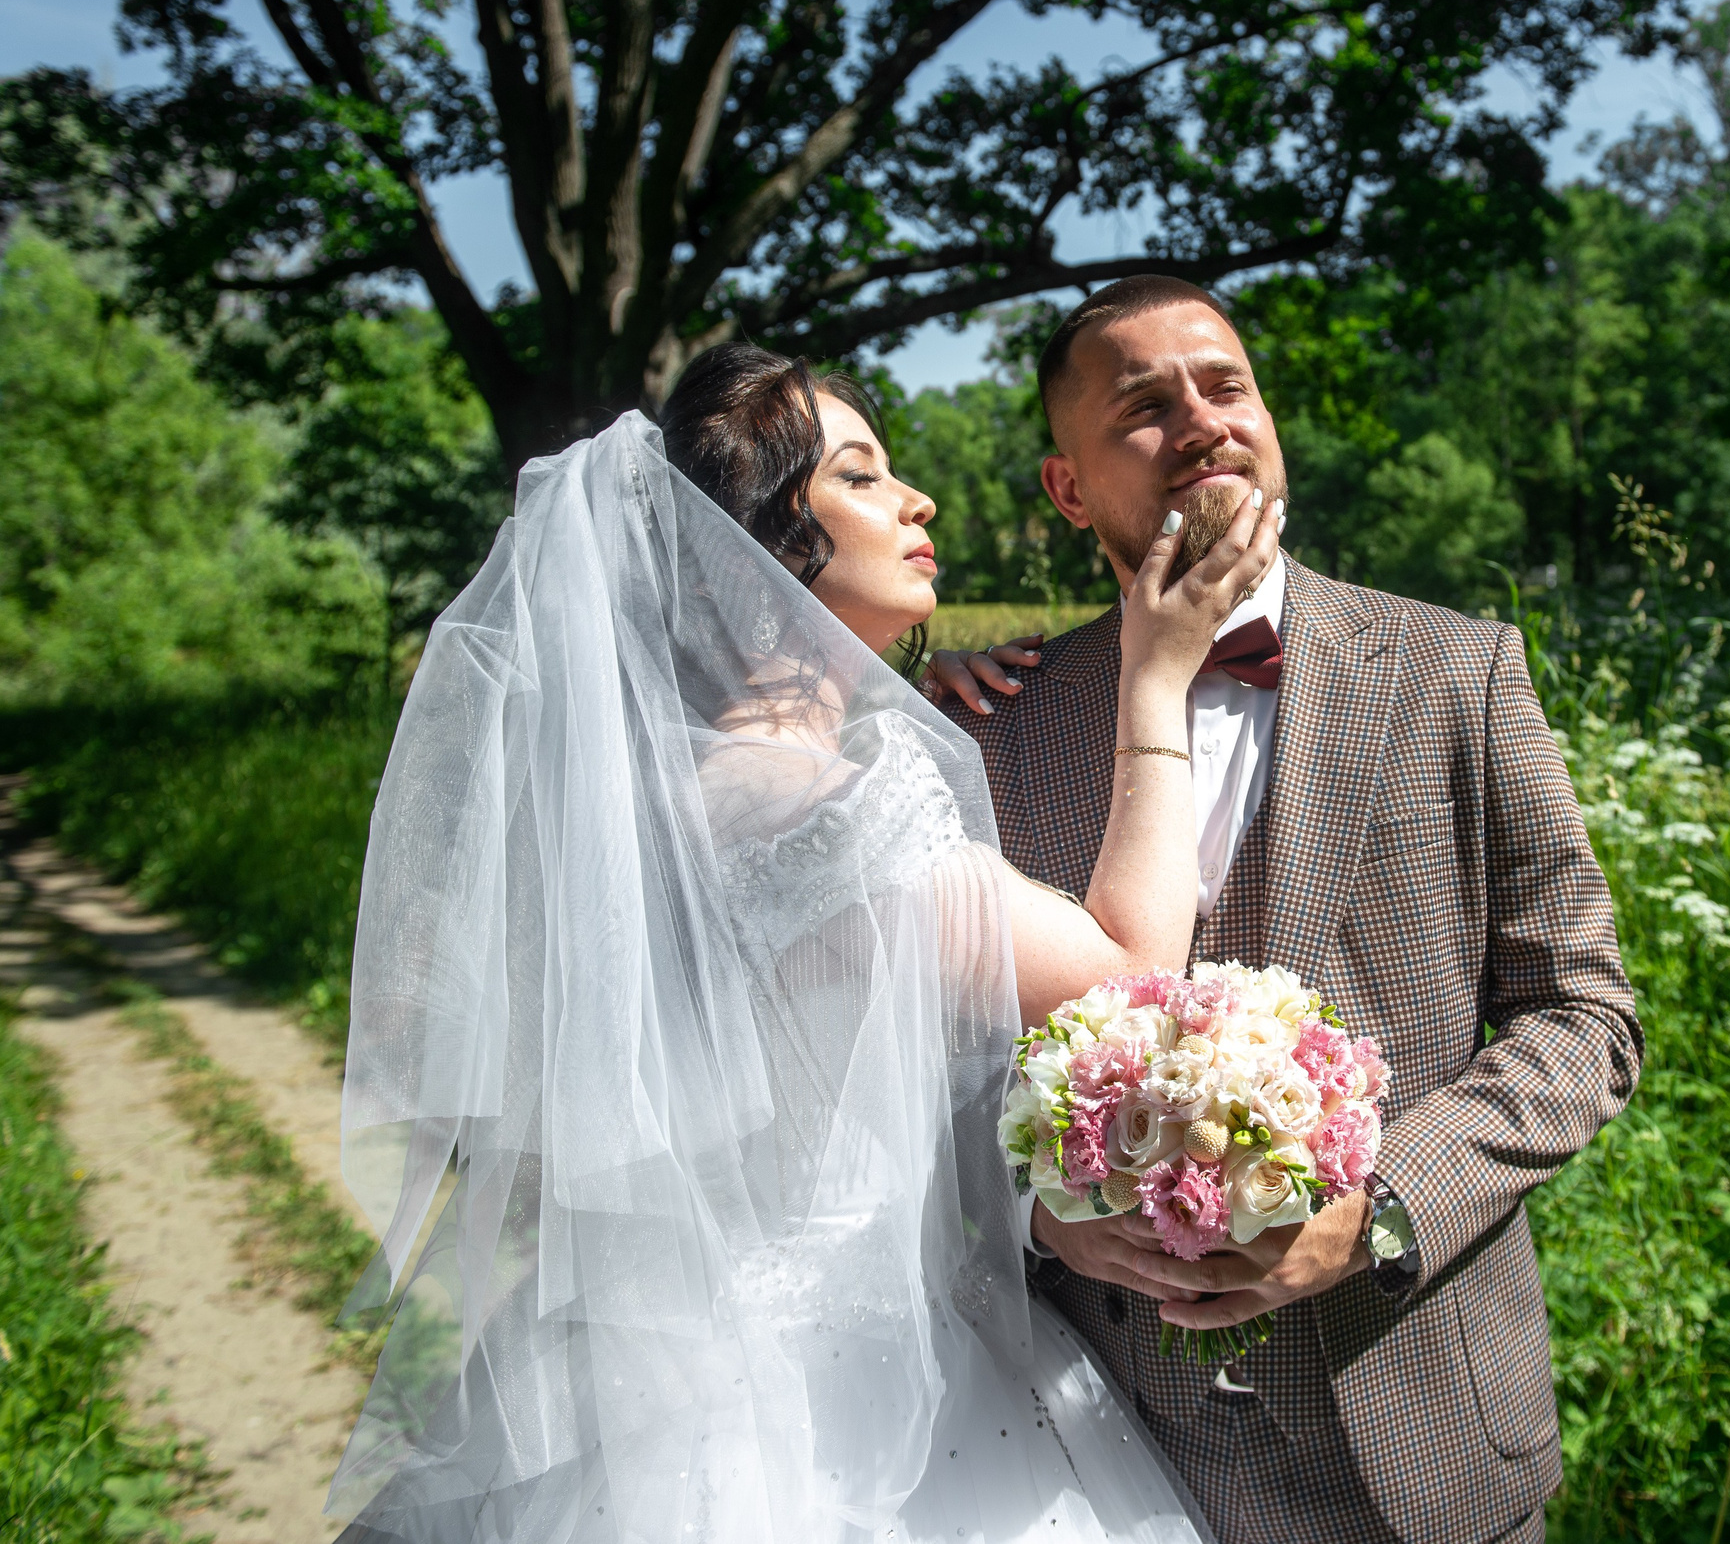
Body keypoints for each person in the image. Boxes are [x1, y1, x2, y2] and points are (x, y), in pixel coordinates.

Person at [326, 345, 1279, 1543]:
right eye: (864, 476)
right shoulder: (837, 810)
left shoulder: (645, 801)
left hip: (629, 1363)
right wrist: (1155, 676)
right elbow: (1125, 979)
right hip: (835, 1405)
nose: (915, 499)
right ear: (767, 544)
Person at [929, 277, 1643, 1544]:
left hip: (1426, 1446)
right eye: (1142, 405)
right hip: (1102, 1457)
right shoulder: (990, 726)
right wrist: (1036, 1214)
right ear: (1067, 489)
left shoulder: (1457, 669)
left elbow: (1583, 1018)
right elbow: (924, 1072)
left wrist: (1384, 1205)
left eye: (1225, 383)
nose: (1200, 418)